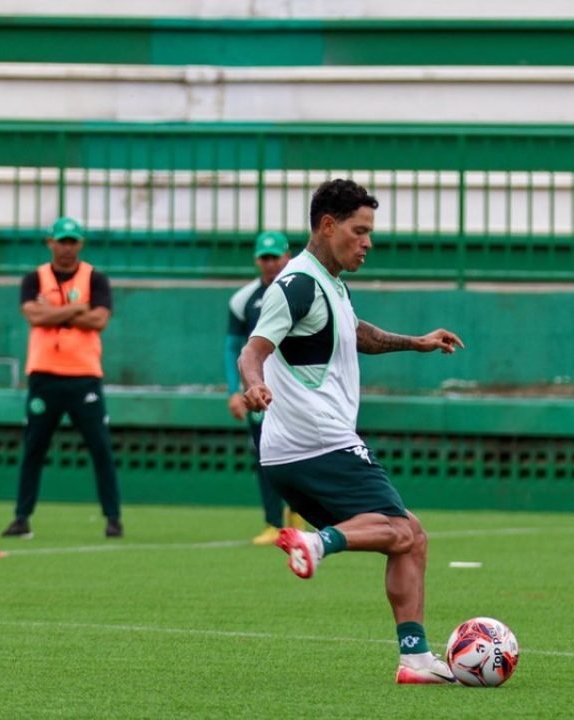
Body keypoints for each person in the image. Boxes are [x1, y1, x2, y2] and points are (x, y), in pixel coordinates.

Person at [238, 179, 465, 684]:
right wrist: (254, 386)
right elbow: (253, 350)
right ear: (326, 225)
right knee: (402, 530)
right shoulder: (296, 283)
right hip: (318, 442)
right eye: (359, 231)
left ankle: (415, 658)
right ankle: (315, 544)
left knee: (412, 537)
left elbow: (356, 333)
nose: (368, 243)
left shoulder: (330, 283)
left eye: (370, 233)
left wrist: (417, 343)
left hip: (296, 451)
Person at [3, 216, 123, 540]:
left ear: (80, 244)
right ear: (50, 242)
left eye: (72, 241)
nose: (67, 247)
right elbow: (32, 315)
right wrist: (75, 309)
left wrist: (52, 310)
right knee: (34, 448)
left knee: (100, 448)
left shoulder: (95, 278)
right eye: (62, 241)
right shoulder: (34, 278)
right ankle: (22, 516)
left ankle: (113, 518)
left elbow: (98, 320)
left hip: (84, 376)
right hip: (44, 375)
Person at [225, 230, 305, 545]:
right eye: (265, 258)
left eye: (276, 257)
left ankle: (298, 513)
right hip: (260, 391)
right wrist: (235, 389)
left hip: (296, 389)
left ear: (288, 257)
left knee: (302, 452)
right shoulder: (244, 300)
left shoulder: (301, 291)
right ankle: (273, 522)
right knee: (264, 455)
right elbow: (232, 346)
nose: (270, 263)